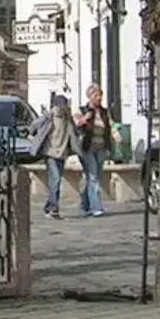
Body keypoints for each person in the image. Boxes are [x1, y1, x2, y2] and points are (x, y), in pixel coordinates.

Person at [35, 92, 78, 219]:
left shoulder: (67, 118)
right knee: (56, 179)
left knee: (56, 182)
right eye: (59, 106)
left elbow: (74, 133)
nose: (60, 108)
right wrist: (31, 135)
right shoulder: (49, 116)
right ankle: (53, 208)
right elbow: (35, 124)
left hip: (62, 153)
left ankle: (49, 207)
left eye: (63, 106)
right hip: (50, 153)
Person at [74, 85, 114, 218]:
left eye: (100, 95)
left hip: (101, 147)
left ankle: (85, 205)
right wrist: (85, 118)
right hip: (87, 148)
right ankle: (96, 208)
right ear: (90, 97)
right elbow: (76, 123)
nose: (99, 98)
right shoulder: (82, 110)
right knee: (93, 177)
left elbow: (110, 125)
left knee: (92, 177)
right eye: (96, 95)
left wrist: (115, 135)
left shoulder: (104, 112)